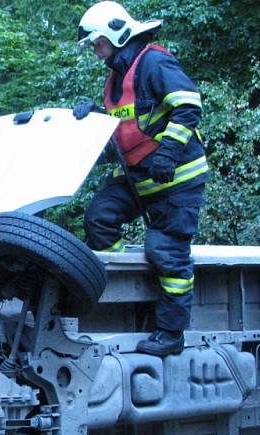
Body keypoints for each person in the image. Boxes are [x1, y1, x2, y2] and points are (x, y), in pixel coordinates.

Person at [74, 1, 209, 356]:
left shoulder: (154, 61)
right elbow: (129, 127)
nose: (94, 50)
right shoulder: (116, 77)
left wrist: (168, 153)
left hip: (177, 178)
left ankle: (171, 333)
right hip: (137, 177)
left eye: (97, 43)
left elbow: (189, 104)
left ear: (116, 33)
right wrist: (94, 118)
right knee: (99, 219)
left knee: (167, 252)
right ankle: (132, 287)